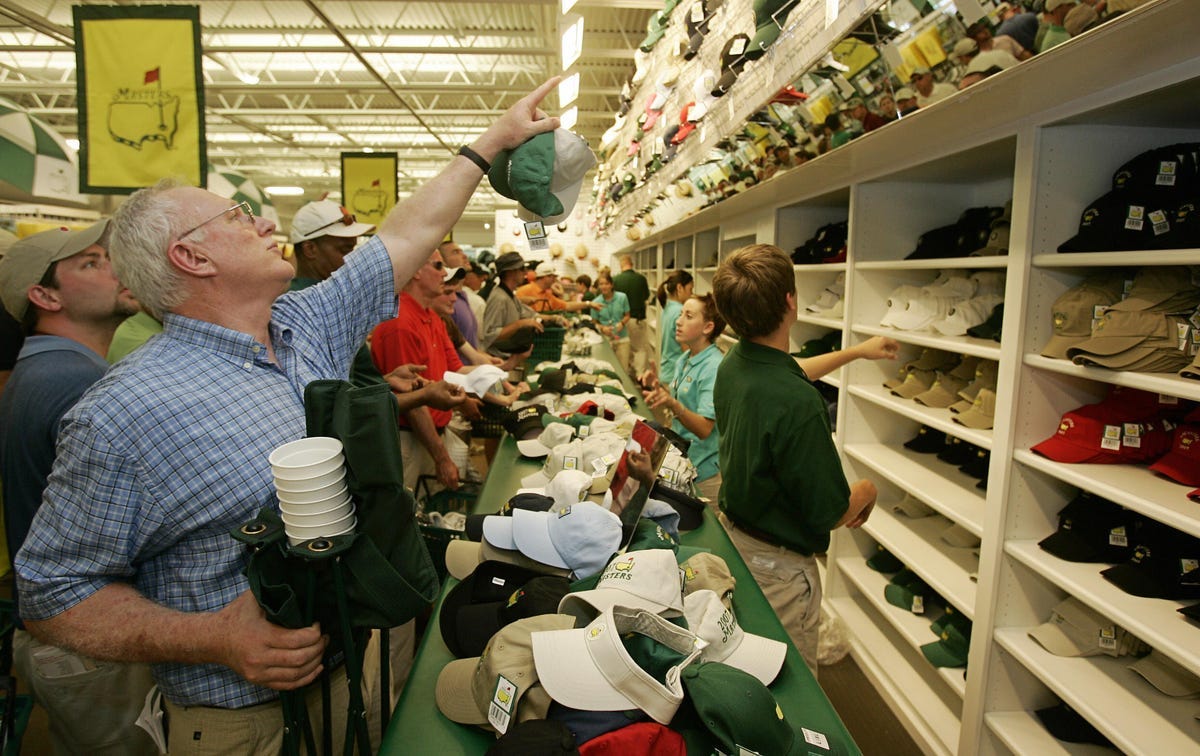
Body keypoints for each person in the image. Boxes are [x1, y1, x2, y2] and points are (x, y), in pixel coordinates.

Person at [14, 78, 560, 754]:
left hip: (349, 677)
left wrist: (492, 142)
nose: (268, 223)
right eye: (242, 217)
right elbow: (51, 590)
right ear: (192, 256)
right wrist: (214, 637)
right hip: (244, 725)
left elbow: (409, 230)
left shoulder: (308, 325)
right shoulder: (125, 411)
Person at [0, 222, 155, 755]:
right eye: (91, 263)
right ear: (44, 296)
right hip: (92, 643)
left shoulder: (46, 367)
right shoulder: (74, 381)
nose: (116, 268)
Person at [711, 244, 889, 675]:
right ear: (790, 301)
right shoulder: (799, 403)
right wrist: (866, 490)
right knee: (789, 688)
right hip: (780, 570)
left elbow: (791, 368)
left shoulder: (734, 362)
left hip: (735, 542)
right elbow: (830, 512)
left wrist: (857, 352)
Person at [643, 293, 726, 503]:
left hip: (705, 472)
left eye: (688, 316)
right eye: (681, 314)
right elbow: (683, 401)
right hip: (685, 461)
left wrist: (673, 404)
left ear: (708, 327)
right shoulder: (685, 359)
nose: (678, 321)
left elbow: (705, 428)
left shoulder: (713, 367)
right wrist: (660, 388)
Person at [288, 199, 375, 290]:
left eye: (353, 248)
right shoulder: (305, 301)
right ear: (310, 249)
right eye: (345, 250)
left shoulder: (334, 293)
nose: (353, 258)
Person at [480, 250, 543, 356]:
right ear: (510, 272)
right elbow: (489, 335)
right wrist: (519, 324)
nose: (525, 273)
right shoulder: (499, 298)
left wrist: (554, 318)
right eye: (522, 269)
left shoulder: (510, 296)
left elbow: (529, 315)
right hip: (498, 360)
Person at [642, 269, 693, 394]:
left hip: (667, 369)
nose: (691, 294)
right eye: (690, 290)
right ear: (680, 288)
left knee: (670, 409)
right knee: (677, 408)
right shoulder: (680, 311)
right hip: (675, 372)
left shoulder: (668, 307)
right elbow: (685, 347)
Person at [611, 254, 652, 375]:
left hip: (620, 321)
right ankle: (640, 377)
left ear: (621, 265)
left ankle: (624, 376)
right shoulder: (641, 279)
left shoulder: (615, 280)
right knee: (639, 349)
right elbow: (646, 297)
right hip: (636, 319)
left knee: (622, 349)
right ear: (631, 264)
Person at [514, 261, 602, 314]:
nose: (555, 280)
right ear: (545, 277)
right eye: (553, 277)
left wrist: (588, 304)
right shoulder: (523, 292)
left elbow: (567, 305)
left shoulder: (546, 295)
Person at [592, 272, 631, 367]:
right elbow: (594, 322)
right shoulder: (596, 302)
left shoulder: (622, 297)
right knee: (607, 368)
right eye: (601, 284)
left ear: (611, 285)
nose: (604, 286)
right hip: (605, 340)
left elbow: (627, 315)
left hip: (622, 339)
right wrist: (602, 328)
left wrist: (622, 323)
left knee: (623, 369)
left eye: (606, 283)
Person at [462, 260, 489, 330]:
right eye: (478, 276)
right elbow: (482, 334)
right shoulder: (477, 302)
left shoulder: (449, 297)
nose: (482, 279)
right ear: (466, 278)